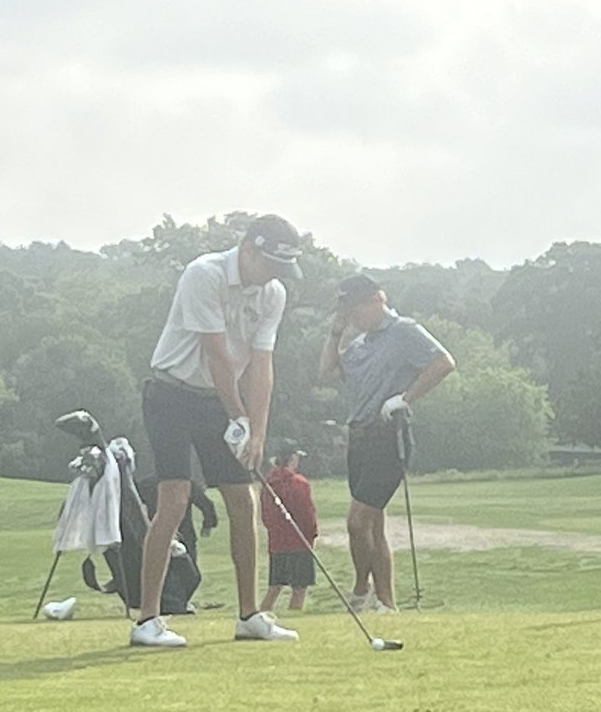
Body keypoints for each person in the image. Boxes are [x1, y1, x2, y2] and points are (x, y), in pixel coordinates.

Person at [131, 214, 305, 647]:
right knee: (174, 498)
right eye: (270, 264)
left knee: (242, 502)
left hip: (215, 403)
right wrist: (239, 418)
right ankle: (147, 621)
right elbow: (217, 355)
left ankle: (248, 615)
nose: (274, 277)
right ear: (248, 248)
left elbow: (262, 365)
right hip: (170, 393)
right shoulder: (203, 274)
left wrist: (258, 431)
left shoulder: (272, 294)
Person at [317, 273, 456, 611]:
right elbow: (327, 374)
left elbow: (443, 362)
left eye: (356, 310)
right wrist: (336, 332)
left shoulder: (404, 331)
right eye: (348, 312)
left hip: (388, 434)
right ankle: (387, 602)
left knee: (357, 522)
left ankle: (361, 589)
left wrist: (406, 398)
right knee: (374, 525)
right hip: (359, 436)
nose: (353, 318)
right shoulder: (362, 343)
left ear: (377, 300)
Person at [259, 442, 318, 611]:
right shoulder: (300, 484)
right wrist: (312, 533)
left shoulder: (268, 484)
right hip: (299, 542)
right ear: (292, 458)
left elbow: (266, 515)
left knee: (275, 586)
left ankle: (261, 614)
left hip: (276, 542)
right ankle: (294, 617)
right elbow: (307, 514)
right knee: (299, 589)